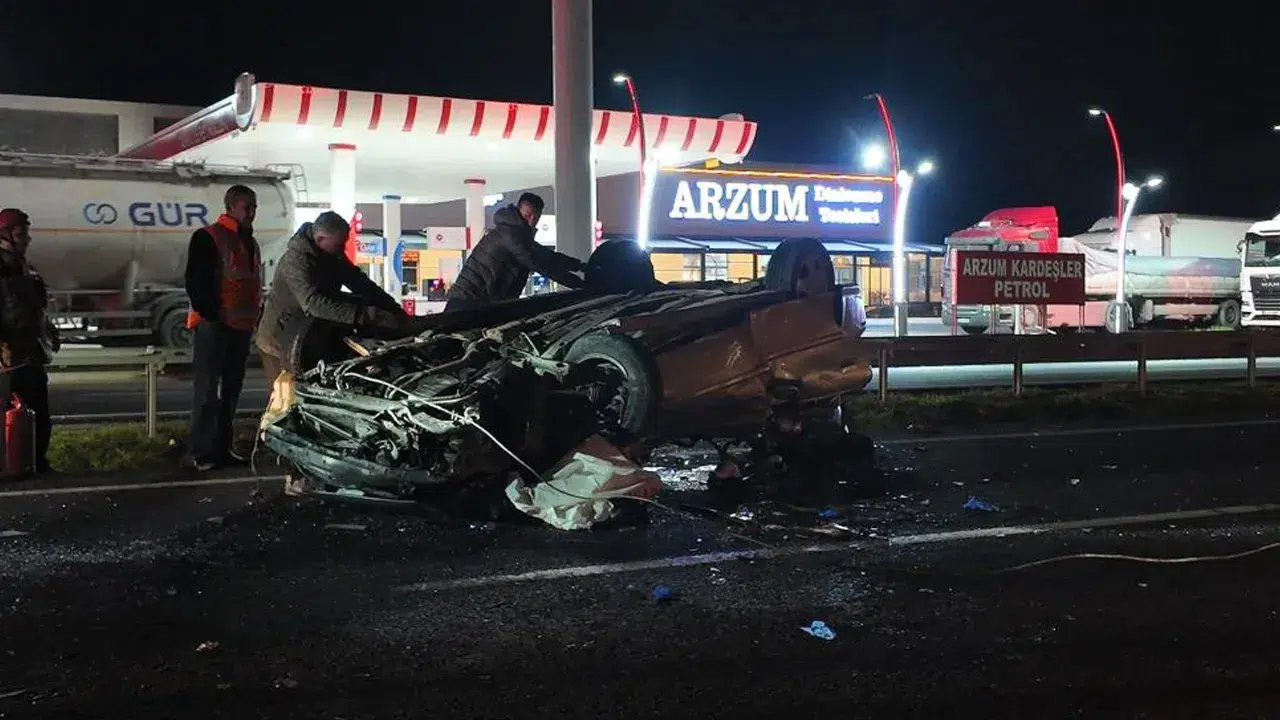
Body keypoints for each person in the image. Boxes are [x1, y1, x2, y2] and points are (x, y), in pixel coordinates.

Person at [255, 211, 408, 383]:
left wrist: (394, 310)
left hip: (309, 335)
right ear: (319, 239)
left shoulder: (331, 254)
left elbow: (359, 282)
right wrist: (365, 315)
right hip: (280, 341)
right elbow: (314, 304)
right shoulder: (296, 261)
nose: (342, 250)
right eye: (339, 245)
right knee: (288, 399)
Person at [184, 185, 262, 472]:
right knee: (207, 393)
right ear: (230, 207)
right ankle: (201, 451)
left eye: (254, 207)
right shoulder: (210, 237)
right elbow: (196, 281)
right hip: (215, 326)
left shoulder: (248, 242)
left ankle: (220, 449)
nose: (252, 212)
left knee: (230, 393)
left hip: (238, 327)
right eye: (247, 207)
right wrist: (213, 314)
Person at [445, 192, 586, 311]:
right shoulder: (510, 235)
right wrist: (580, 285)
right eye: (528, 215)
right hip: (469, 301)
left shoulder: (518, 236)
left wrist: (579, 266)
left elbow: (547, 256)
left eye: (535, 217)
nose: (531, 221)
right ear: (518, 211)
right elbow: (538, 264)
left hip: (478, 301)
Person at [0, 208, 59, 475]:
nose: (28, 239)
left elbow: (37, 308)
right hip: (6, 356)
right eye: (21, 232)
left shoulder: (27, 270)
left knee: (38, 412)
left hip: (30, 351)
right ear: (4, 235)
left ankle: (36, 462)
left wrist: (50, 331)